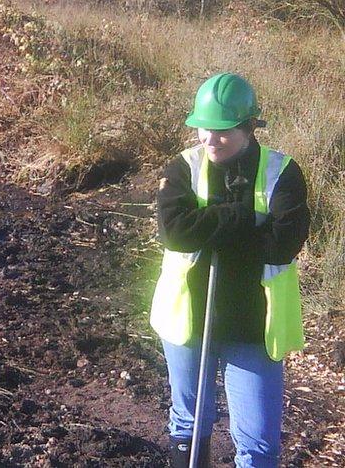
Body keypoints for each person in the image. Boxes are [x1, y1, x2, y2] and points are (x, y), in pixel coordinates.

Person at [150, 73, 310, 467]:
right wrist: (243, 217)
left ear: (249, 128)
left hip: (253, 326)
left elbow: (282, 244)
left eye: (222, 131)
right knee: (188, 422)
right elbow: (175, 232)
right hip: (188, 321)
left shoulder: (282, 173)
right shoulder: (181, 167)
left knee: (257, 443)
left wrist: (209, 225)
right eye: (204, 128)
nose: (209, 139)